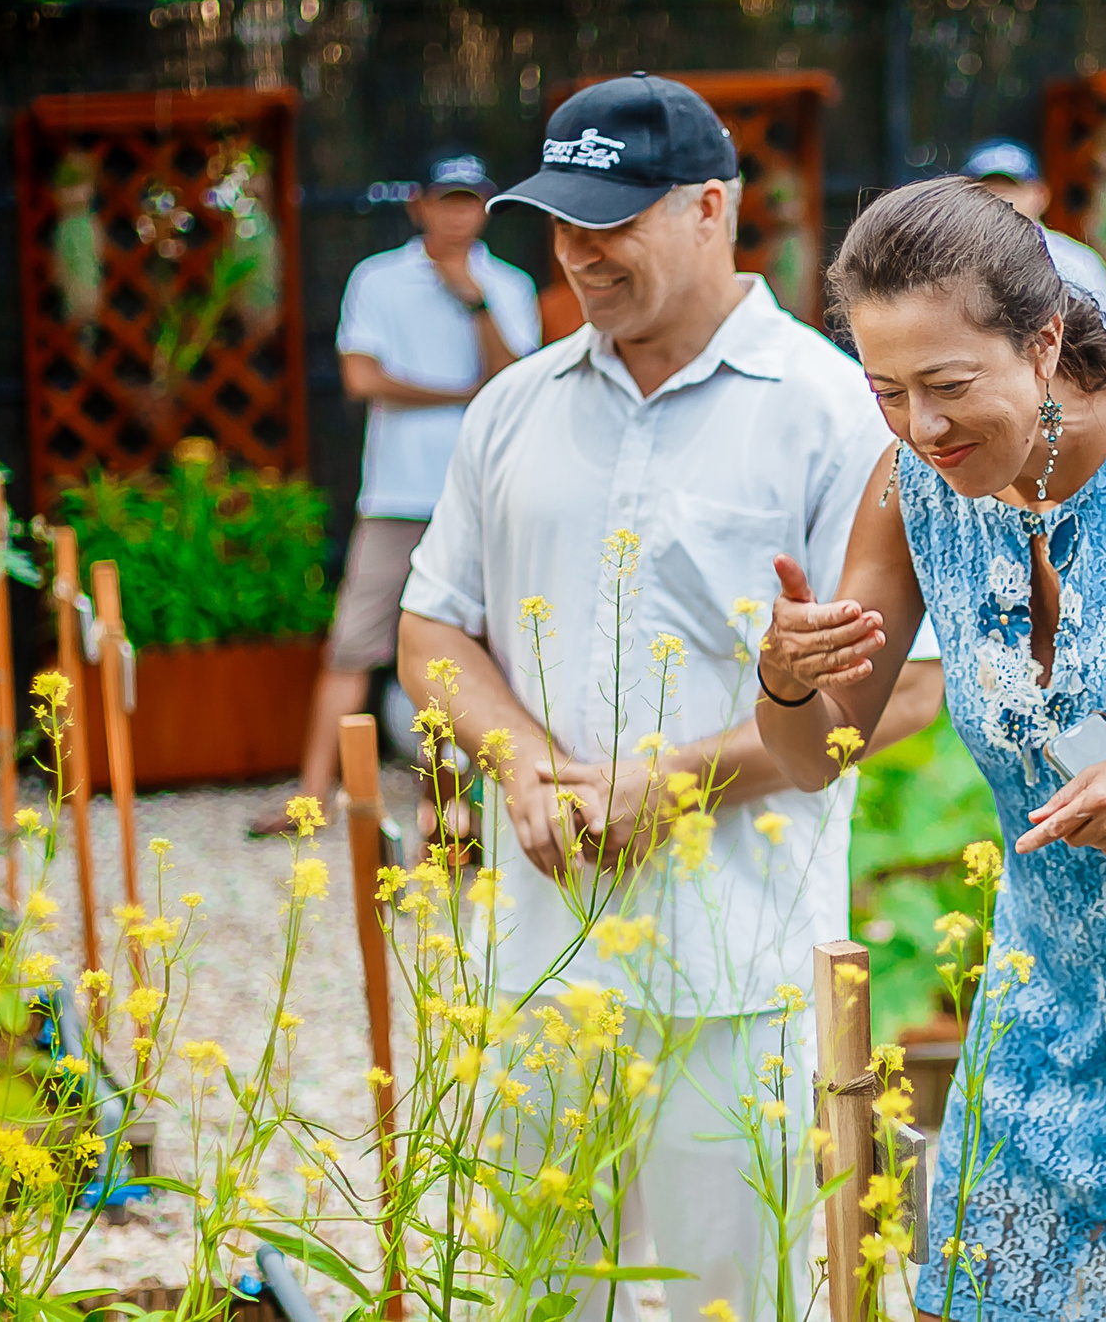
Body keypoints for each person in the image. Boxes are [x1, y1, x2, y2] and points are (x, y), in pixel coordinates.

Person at [394, 73, 945, 1322]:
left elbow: (901, 690)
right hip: (540, 958)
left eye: (614, 219)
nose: (581, 252)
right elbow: (432, 623)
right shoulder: (511, 409)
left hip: (737, 964)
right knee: (534, 1297)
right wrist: (523, 765)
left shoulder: (831, 414)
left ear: (710, 208)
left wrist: (676, 781)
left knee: (725, 1305)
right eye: (561, 220)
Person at [757, 178, 1106, 1322]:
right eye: (885, 392)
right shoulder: (912, 492)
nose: (920, 427)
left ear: (1043, 343)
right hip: (1038, 1027)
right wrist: (785, 676)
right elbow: (810, 755)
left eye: (947, 385)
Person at [250, 151, 540, 836]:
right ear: (419, 205)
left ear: (486, 207)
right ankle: (312, 799)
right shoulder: (376, 278)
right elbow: (361, 380)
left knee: (484, 655)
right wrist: (455, 393)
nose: (457, 213)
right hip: (394, 499)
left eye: (470, 200)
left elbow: (514, 382)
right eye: (446, 199)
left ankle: (464, 815)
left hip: (482, 500)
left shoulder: (509, 284)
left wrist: (472, 301)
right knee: (353, 647)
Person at [965, 137, 1106, 334]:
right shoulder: (950, 261)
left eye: (1011, 187)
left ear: (1040, 195)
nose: (998, 197)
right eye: (986, 188)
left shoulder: (1075, 264)